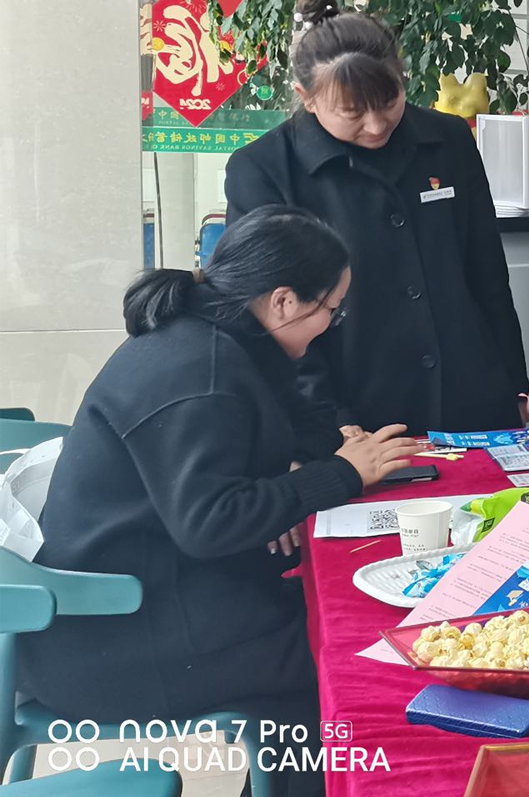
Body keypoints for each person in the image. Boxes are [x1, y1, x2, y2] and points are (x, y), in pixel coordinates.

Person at [19, 206, 425, 797]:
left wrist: (305, 469)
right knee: (347, 651)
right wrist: (340, 474)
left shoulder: (225, 336)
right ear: (283, 301)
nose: (330, 326)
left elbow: (290, 426)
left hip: (162, 592)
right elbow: (210, 522)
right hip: (116, 639)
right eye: (331, 310)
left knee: (335, 618)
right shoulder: (201, 370)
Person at [226, 0, 528, 437]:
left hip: (470, 394)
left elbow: (487, 275)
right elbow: (270, 315)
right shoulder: (264, 170)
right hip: (354, 411)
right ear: (307, 98)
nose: (375, 124)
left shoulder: (448, 140)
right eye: (351, 112)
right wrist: (331, 419)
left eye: (388, 100)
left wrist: (514, 385)